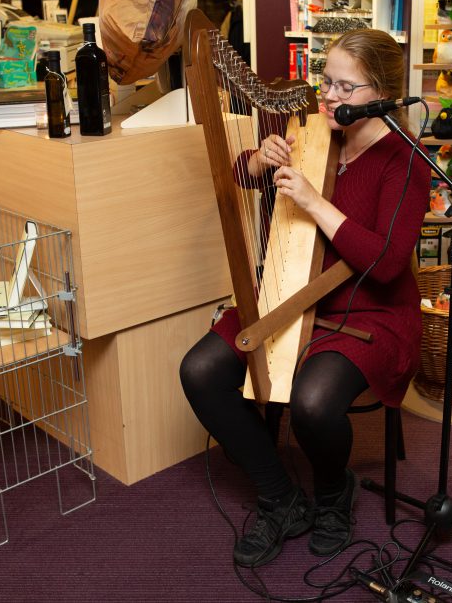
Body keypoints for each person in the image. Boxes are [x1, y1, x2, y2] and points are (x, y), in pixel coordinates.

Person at [179, 29, 431, 567]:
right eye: (326, 81)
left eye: (346, 86)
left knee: (314, 403)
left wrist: (315, 203)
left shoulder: (404, 161)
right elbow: (235, 174)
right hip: (292, 292)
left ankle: (334, 492)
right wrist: (258, 161)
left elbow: (387, 263)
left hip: (372, 310)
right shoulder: (312, 133)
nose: (329, 96)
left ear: (383, 92)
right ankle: (281, 498)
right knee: (200, 368)